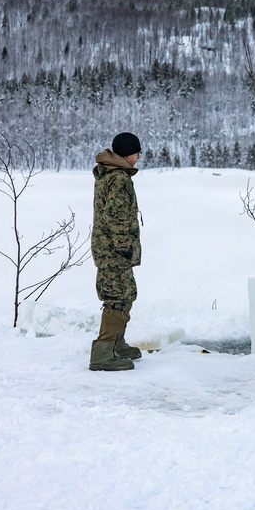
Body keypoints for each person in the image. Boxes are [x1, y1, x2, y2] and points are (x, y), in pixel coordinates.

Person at [89, 132, 144, 371]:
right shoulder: (119, 178)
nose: (139, 156)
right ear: (128, 153)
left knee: (125, 294)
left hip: (107, 248)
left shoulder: (109, 174)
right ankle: (103, 353)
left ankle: (116, 344)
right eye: (137, 152)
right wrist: (125, 247)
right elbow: (115, 215)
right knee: (118, 298)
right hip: (114, 251)